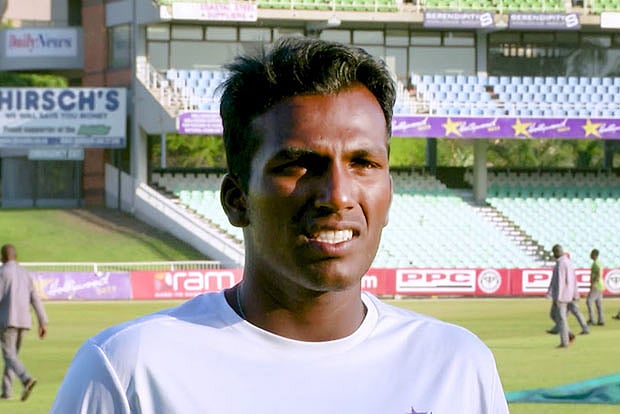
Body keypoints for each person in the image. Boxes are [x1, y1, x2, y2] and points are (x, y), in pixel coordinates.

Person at [51, 37, 509, 413]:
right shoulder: (129, 370)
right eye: (298, 165)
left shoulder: (456, 365)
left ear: (388, 194)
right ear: (237, 201)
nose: (338, 195)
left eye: (363, 163)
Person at [0, 244, 47, 401]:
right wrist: (42, 321)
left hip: (7, 320)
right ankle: (7, 391)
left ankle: (26, 378)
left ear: (2, 257)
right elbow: (35, 299)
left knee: (9, 355)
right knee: (12, 356)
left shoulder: (2, 272)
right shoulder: (25, 274)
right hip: (24, 321)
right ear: (16, 256)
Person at [547, 245, 588, 348]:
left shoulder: (560, 264)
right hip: (570, 294)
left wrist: (557, 297)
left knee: (560, 318)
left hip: (562, 296)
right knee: (555, 315)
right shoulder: (568, 262)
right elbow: (573, 279)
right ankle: (568, 333)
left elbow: (560, 281)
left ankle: (565, 341)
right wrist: (575, 293)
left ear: (555, 252)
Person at [586, 248, 605, 326]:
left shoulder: (595, 264)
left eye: (591, 254)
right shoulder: (599, 263)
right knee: (598, 303)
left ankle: (592, 319)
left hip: (596, 285)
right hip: (600, 285)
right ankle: (601, 320)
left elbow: (597, 274)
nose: (590, 255)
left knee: (589, 301)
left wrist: (593, 284)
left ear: (594, 255)